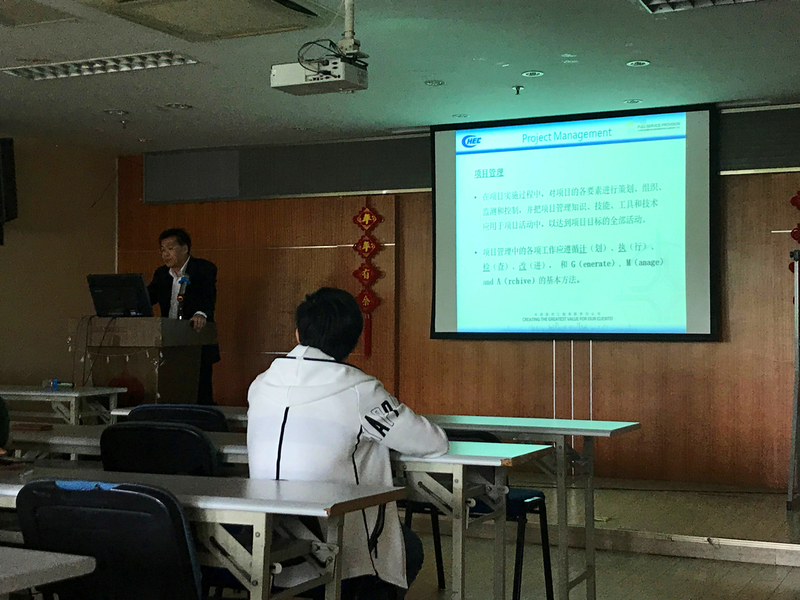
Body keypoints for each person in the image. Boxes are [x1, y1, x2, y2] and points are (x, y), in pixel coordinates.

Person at [247, 287, 448, 600]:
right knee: (409, 548)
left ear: (297, 333)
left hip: (263, 543)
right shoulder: (358, 391)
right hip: (333, 547)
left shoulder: (260, 384)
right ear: (352, 342)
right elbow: (432, 442)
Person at [147, 228, 219, 405]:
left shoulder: (203, 269)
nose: (165, 254)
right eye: (162, 250)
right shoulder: (161, 274)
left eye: (170, 248)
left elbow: (208, 296)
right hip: (169, 342)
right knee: (172, 391)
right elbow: (148, 298)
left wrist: (201, 314)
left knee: (199, 393)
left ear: (185, 248)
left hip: (195, 340)